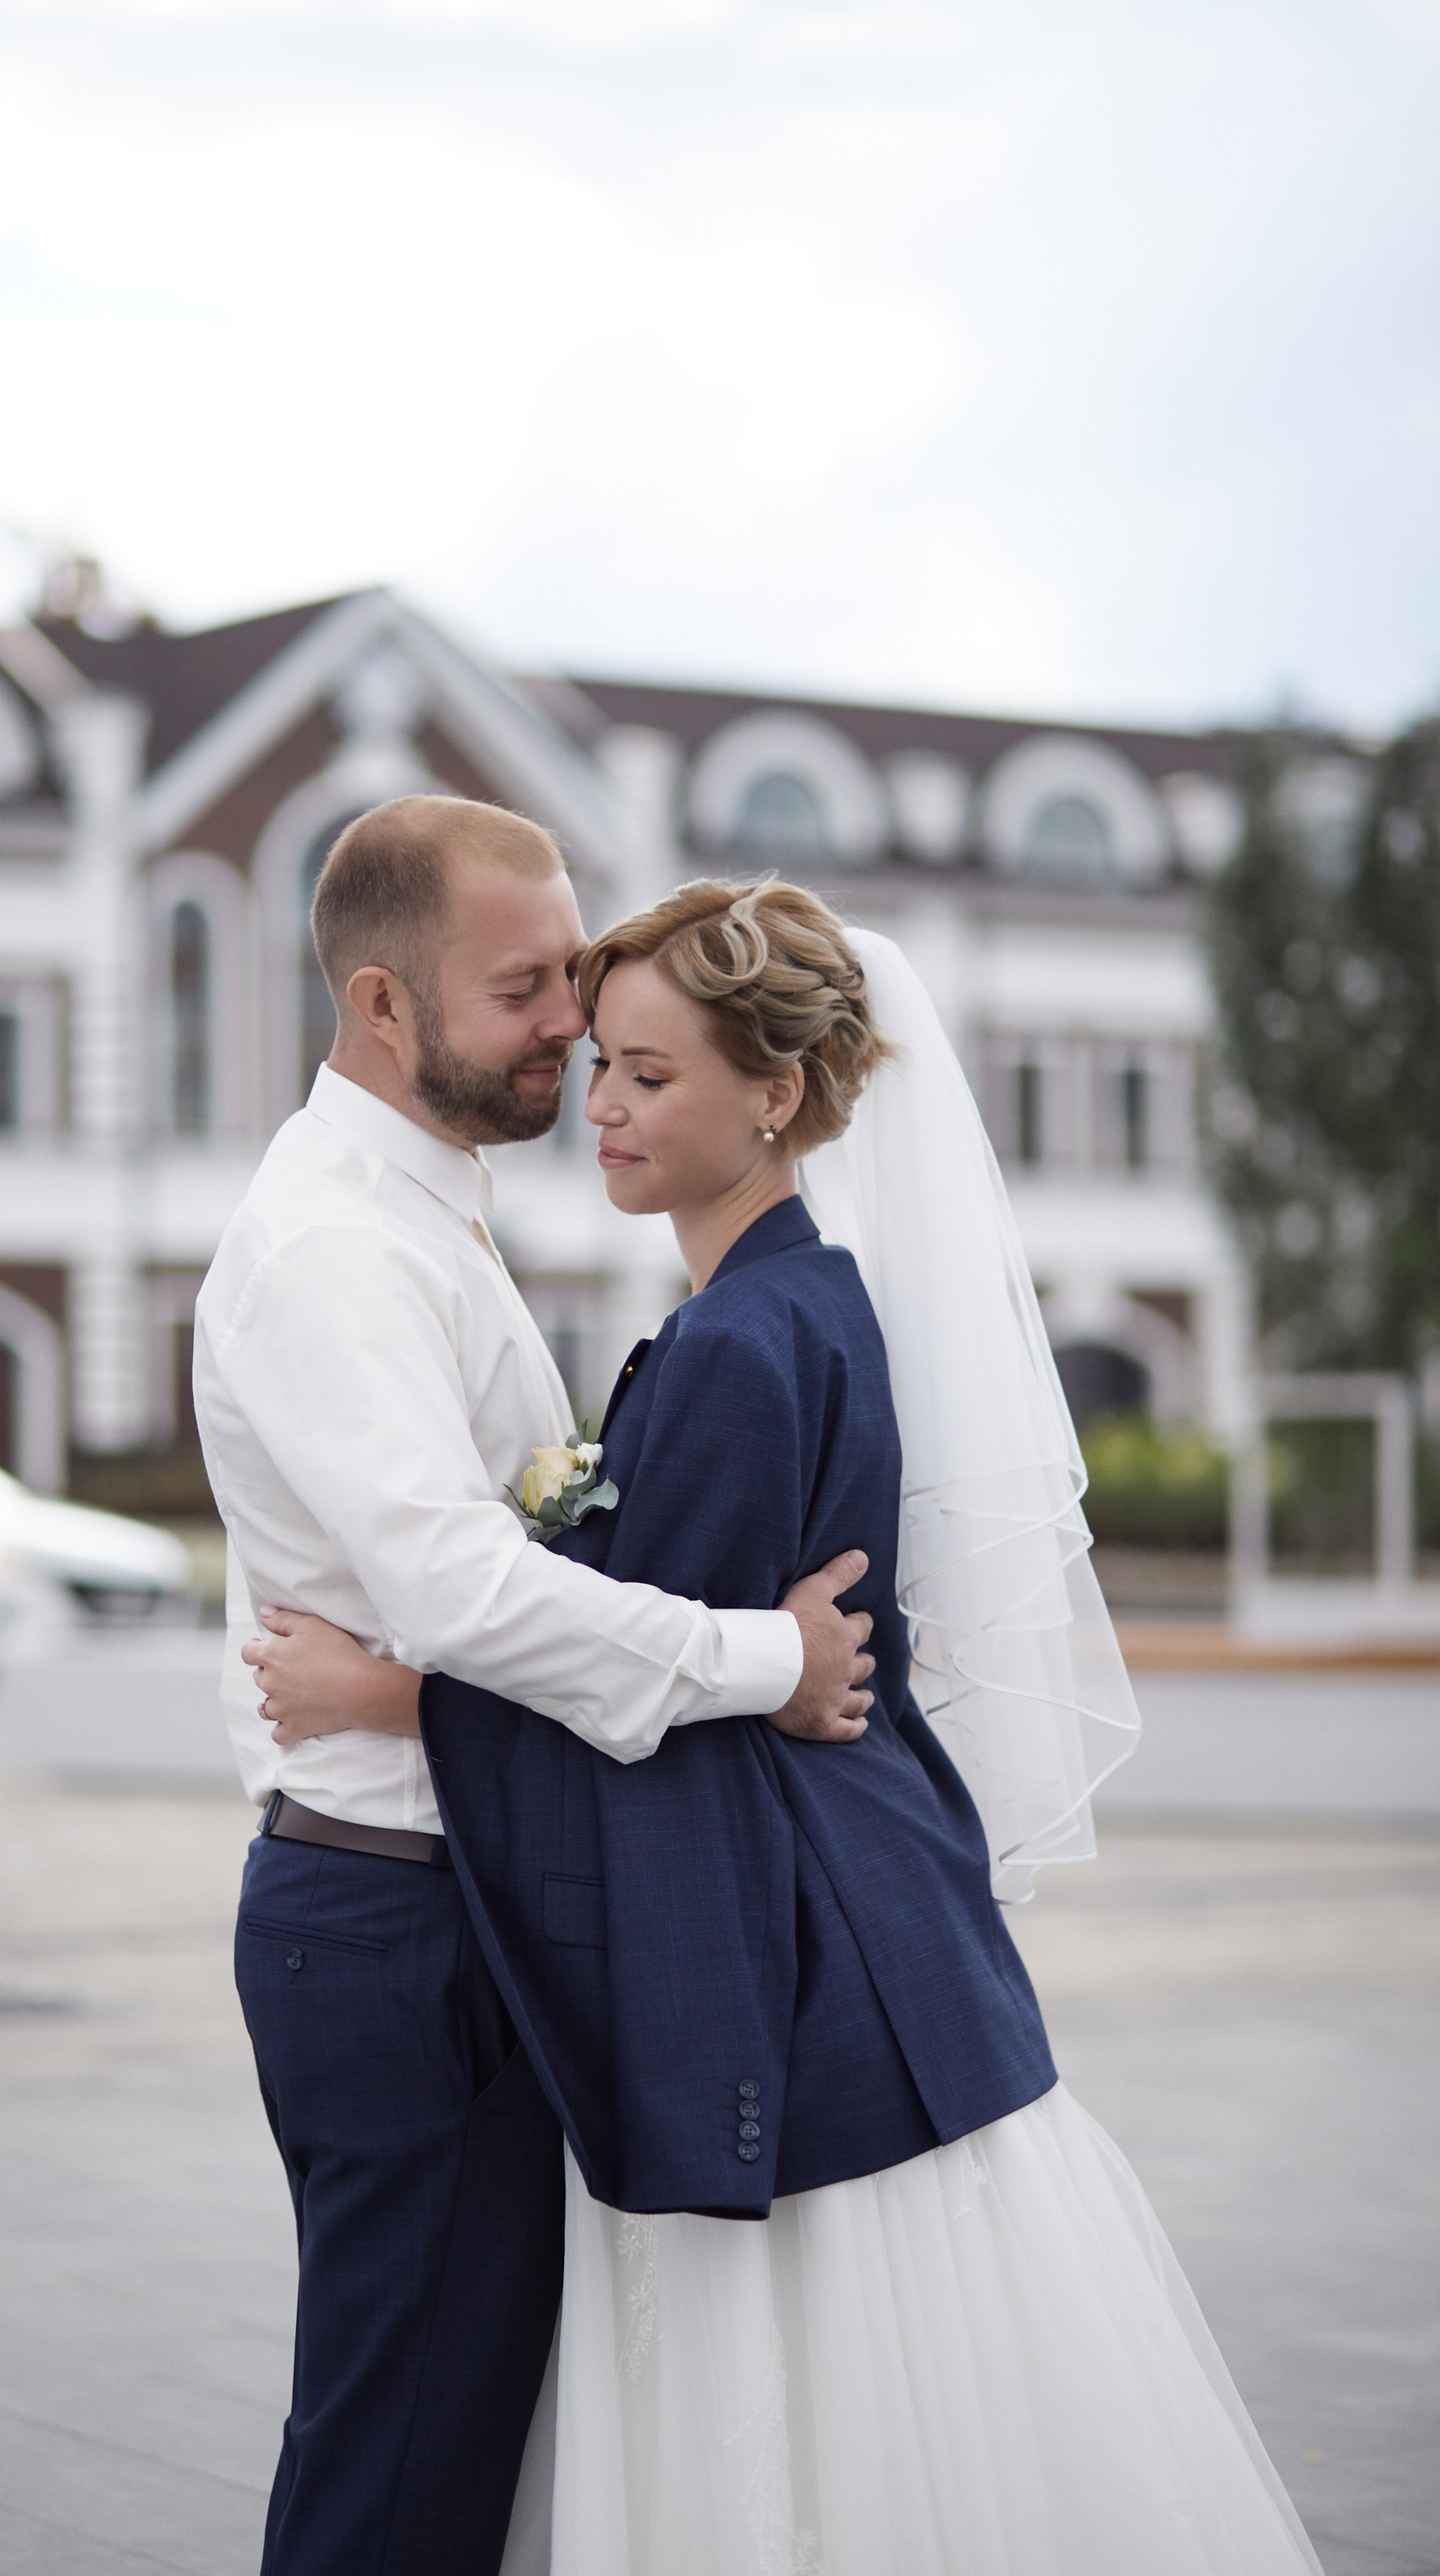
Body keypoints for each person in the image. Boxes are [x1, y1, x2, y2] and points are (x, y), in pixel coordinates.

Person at [252, 877, 1324, 2575]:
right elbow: (678, 1661)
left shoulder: (747, 1345)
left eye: (649, 1076)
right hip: (854, 1908)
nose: (599, 1104)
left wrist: (375, 1689)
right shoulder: (779, 1307)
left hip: (798, 1952)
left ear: (776, 1093)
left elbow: (652, 1722)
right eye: (598, 1062)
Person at [191, 800, 874, 2576]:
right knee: (401, 2469)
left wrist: (400, 1689)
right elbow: (458, 1582)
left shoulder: (434, 1206)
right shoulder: (341, 1243)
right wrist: (766, 1658)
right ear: (382, 1006)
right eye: (526, 990)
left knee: (447, 2442)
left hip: (454, 1899)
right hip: (400, 1931)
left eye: (573, 975)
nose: (573, 1026)